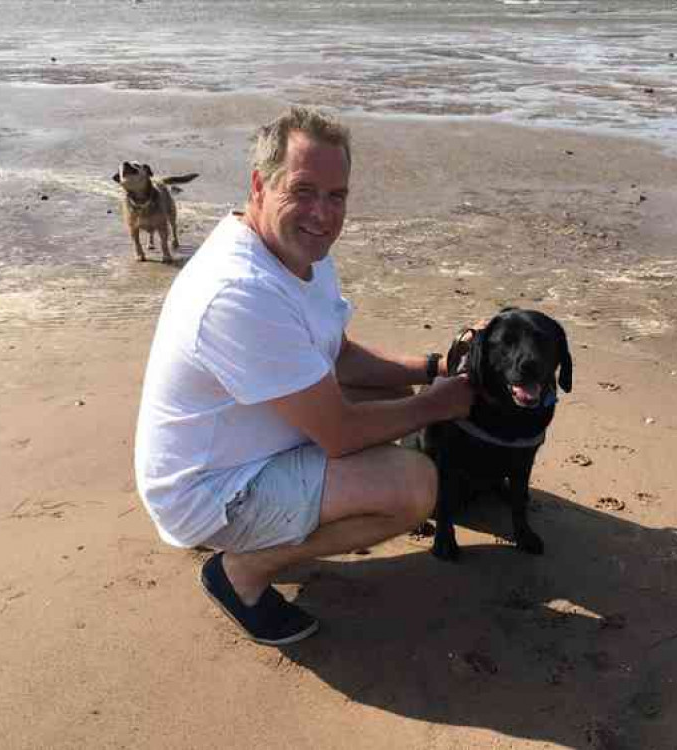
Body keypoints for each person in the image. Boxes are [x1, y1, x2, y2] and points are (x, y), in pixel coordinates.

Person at [134, 106, 474, 645]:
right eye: (304, 190)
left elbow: (334, 354)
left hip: (241, 445)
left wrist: (434, 368)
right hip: (207, 491)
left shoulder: (296, 251)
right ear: (259, 185)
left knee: (392, 392)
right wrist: (442, 403)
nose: (322, 213)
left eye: (336, 196)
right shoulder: (240, 290)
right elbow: (338, 434)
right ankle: (239, 572)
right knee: (413, 487)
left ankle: (285, 521)